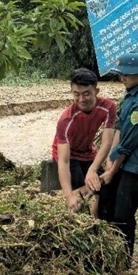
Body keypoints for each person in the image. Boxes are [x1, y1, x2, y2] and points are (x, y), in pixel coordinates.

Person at [86, 52, 138, 262]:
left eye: (126, 75)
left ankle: (123, 259)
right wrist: (111, 158)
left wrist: (111, 170)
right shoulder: (132, 92)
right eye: (121, 75)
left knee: (122, 213)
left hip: (136, 165)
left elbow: (129, 143)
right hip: (122, 158)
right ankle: (105, 253)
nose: (123, 79)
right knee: (105, 205)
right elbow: (121, 127)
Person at [52, 68, 117, 214]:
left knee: (106, 186)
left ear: (96, 91)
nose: (81, 100)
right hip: (69, 155)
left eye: (86, 94)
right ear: (71, 92)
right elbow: (64, 161)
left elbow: (107, 142)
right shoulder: (66, 119)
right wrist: (69, 196)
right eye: (76, 94)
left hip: (88, 151)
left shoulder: (108, 107)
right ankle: (74, 215)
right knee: (79, 195)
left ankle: (98, 221)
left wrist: (93, 169)